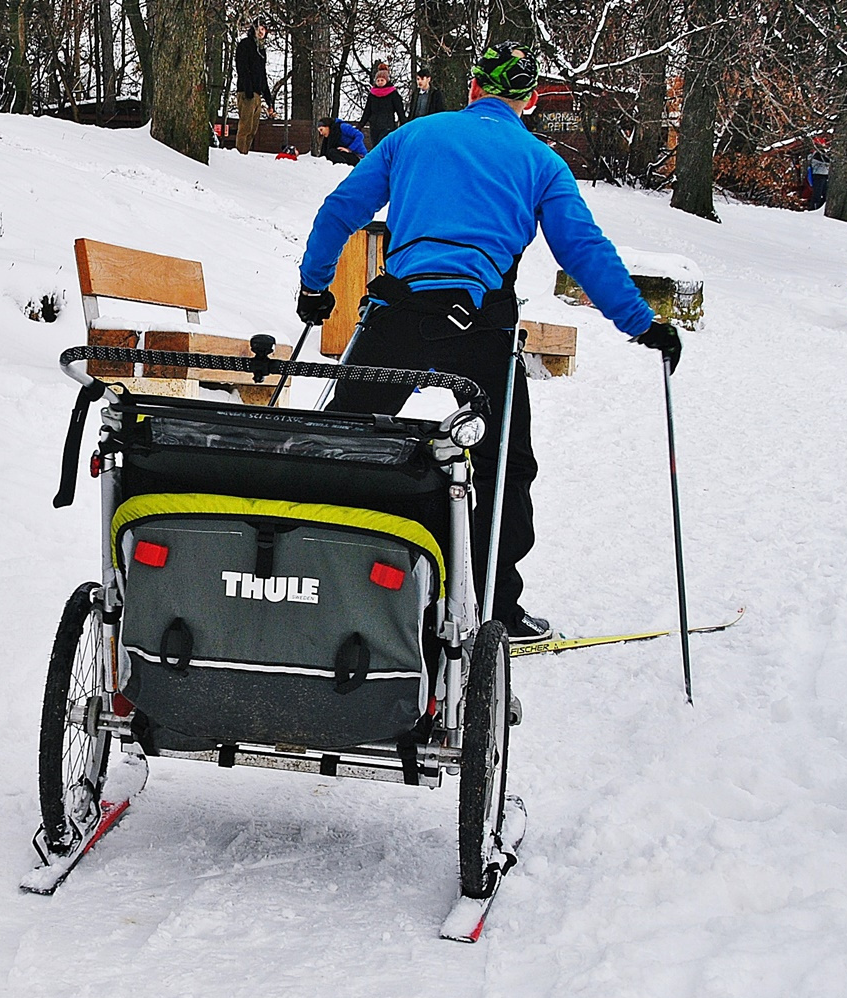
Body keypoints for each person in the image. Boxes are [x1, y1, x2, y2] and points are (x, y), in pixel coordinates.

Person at [294, 41, 682, 642]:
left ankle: (313, 580)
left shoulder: (412, 137)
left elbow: (340, 210)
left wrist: (315, 288)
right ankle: (495, 608)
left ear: (474, 89)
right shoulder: (540, 162)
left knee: (344, 442)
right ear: (527, 101)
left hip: (396, 313)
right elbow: (584, 251)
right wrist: (641, 323)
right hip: (482, 326)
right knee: (504, 465)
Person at [234, 20, 274, 155]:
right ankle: (239, 153)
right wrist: (248, 89)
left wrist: (269, 99)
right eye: (259, 28)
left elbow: (262, 75)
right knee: (245, 127)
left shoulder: (261, 51)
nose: (261, 31)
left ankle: (245, 153)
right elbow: (242, 67)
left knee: (252, 129)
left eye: (264, 29)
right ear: (253, 29)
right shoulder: (245, 45)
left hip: (258, 94)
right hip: (246, 92)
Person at [358, 68, 406, 149]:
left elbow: (399, 110)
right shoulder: (372, 95)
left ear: (386, 81)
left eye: (382, 80)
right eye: (378, 80)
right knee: (375, 147)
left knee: (383, 146)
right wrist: (361, 125)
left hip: (387, 126)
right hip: (374, 127)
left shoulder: (393, 94)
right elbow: (367, 111)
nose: (380, 82)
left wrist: (404, 123)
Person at [807, 139, 830, 209]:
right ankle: (815, 208)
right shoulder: (817, 154)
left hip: (822, 175)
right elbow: (827, 161)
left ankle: (819, 207)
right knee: (818, 194)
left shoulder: (816, 154)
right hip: (819, 175)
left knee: (823, 194)